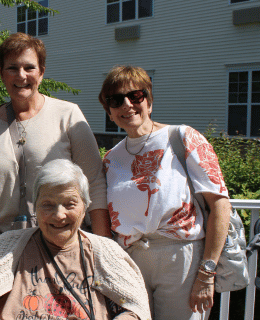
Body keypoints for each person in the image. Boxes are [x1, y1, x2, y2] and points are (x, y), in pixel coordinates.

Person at [98, 65, 231, 319]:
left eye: (136, 96)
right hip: (131, 261)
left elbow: (220, 205)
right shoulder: (111, 158)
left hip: (180, 258)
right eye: (116, 100)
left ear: (149, 101)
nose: (127, 104)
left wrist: (207, 273)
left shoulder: (182, 138)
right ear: (110, 113)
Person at [0, 159, 151, 320]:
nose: (59, 215)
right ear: (36, 207)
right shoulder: (8, 246)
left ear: (85, 206)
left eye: (69, 204)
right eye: (48, 204)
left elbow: (137, 309)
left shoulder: (106, 251)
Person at [0, 32, 110, 248]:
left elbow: (95, 183)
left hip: (62, 244)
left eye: (29, 68)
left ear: (41, 73)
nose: (21, 75)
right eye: (12, 68)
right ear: (2, 74)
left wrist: (102, 247)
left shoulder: (68, 115)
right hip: (2, 248)